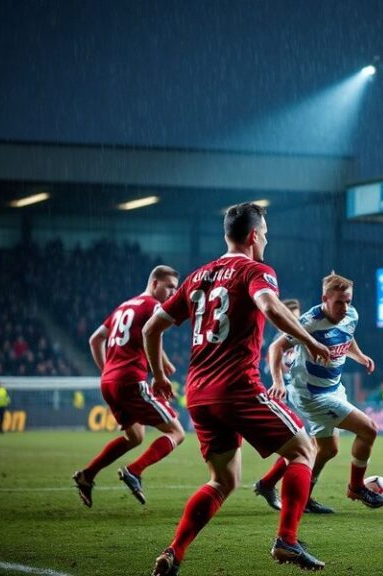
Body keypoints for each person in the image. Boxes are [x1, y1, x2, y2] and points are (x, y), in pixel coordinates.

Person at [143, 202, 332, 575]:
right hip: (237, 386)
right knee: (304, 450)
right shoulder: (255, 270)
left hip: (198, 393)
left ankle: (174, 552)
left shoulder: (198, 276)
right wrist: (308, 340)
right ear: (253, 236)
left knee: (223, 480)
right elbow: (271, 307)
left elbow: (152, 329)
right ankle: (287, 542)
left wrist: (160, 376)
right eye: (265, 234)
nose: (266, 239)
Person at [256, 273, 383, 516]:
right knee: (369, 429)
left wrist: (359, 356)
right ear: (324, 298)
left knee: (327, 449)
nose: (344, 307)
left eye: (348, 301)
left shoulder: (351, 315)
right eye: (339, 302)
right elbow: (276, 347)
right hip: (310, 394)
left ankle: (289, 492)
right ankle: (356, 487)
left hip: (333, 388)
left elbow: (347, 337)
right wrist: (277, 382)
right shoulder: (308, 322)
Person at [72, 265, 185, 508]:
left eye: (176, 289)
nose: (173, 293)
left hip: (109, 382)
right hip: (131, 380)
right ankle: (134, 471)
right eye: (169, 287)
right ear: (154, 283)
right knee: (177, 432)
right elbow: (153, 334)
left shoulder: (124, 306)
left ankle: (87, 475)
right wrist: (158, 374)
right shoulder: (154, 306)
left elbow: (95, 340)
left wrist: (108, 371)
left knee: (134, 436)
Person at [253, 298, 312, 512]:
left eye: (297, 315)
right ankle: (275, 488)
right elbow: (273, 368)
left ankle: (268, 484)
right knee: (302, 447)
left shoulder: (301, 337)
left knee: (304, 446)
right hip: (284, 398)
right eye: (290, 314)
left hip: (302, 396)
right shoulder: (279, 343)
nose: (295, 319)